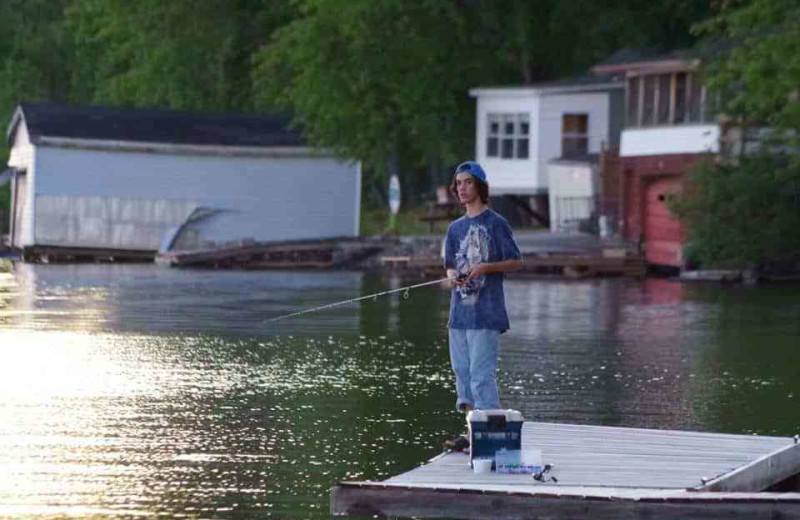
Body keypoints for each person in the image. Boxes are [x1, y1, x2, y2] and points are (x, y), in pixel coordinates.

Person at [443, 161, 522, 414]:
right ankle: (471, 433)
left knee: (480, 375)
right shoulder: (454, 228)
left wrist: (485, 268)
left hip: (486, 315)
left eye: (468, 182)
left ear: (480, 186)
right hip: (459, 316)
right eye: (458, 183)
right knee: (463, 376)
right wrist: (453, 275)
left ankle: (489, 430)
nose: (462, 188)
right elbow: (449, 265)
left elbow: (516, 262)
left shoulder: (496, 223)